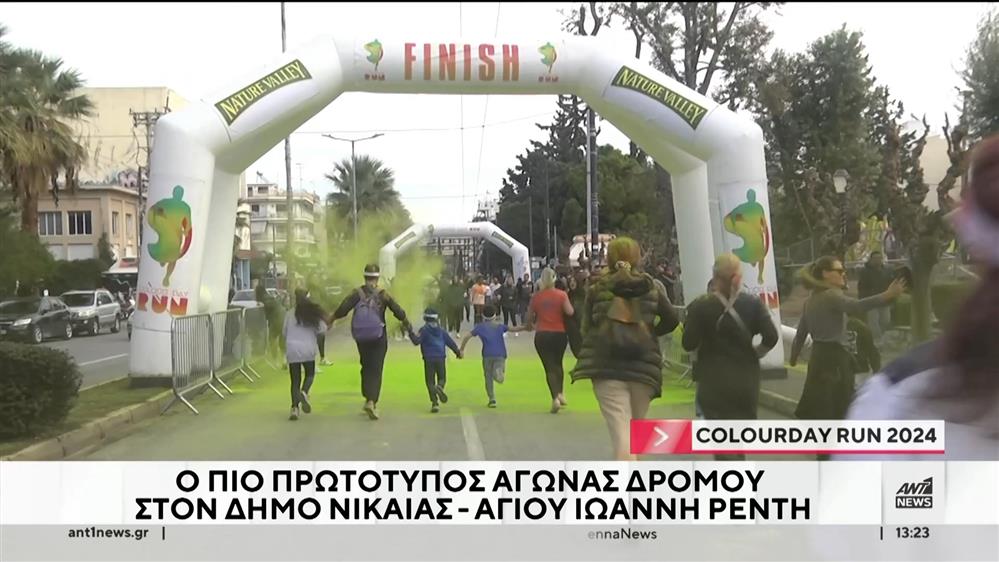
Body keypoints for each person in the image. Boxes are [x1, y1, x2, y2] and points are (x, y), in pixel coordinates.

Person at [840, 134, 999, 461]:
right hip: (867, 322)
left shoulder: (897, 398)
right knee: (876, 329)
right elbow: (855, 303)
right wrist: (884, 295)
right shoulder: (902, 396)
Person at [571, 237, 680, 460]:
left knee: (621, 433)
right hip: (644, 369)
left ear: (609, 258)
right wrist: (649, 334)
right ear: (637, 257)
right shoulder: (651, 287)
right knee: (636, 435)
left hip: (606, 367)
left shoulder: (597, 288)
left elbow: (586, 328)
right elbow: (672, 319)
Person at [790, 255, 906, 454]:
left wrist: (793, 357)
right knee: (839, 410)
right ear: (826, 274)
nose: (844, 274)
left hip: (818, 359)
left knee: (823, 412)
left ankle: (824, 455)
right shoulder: (831, 296)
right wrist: (887, 295)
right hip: (835, 360)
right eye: (839, 271)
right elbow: (856, 306)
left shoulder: (811, 301)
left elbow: (800, 334)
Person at [681, 254, 779, 460]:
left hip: (713, 381)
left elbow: (688, 343)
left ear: (715, 277)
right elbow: (771, 336)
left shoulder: (701, 306)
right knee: (737, 442)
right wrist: (755, 353)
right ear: (738, 277)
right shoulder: (753, 304)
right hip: (745, 380)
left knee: (722, 445)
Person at [330, 264, 412, 420]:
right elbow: (398, 310)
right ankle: (371, 401)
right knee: (376, 368)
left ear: (364, 277)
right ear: (377, 277)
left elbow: (343, 309)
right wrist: (406, 322)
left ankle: (367, 396)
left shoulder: (357, 293)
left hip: (361, 336)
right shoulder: (383, 294)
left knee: (366, 365)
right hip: (378, 336)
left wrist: (331, 319)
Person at [460, 304, 527, 408]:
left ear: (483, 315)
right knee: (499, 370)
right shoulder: (500, 326)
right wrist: (526, 327)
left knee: (488, 377)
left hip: (487, 354)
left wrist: (462, 349)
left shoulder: (480, 327)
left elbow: (467, 337)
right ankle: (498, 372)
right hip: (500, 354)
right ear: (495, 315)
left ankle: (492, 399)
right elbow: (514, 329)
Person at [527, 268, 575, 413]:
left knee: (549, 367)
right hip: (559, 333)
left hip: (542, 334)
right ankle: (560, 393)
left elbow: (529, 317)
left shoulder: (536, 297)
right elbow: (570, 312)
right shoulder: (562, 295)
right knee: (558, 363)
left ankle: (555, 398)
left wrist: (530, 326)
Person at [282, 289, 327, 421]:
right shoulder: (312, 313)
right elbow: (322, 329)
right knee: (310, 374)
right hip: (308, 349)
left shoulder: (290, 314)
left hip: (292, 349)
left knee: (295, 380)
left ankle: (294, 408)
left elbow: (284, 332)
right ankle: (304, 392)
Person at [409, 307, 463, 413]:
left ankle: (435, 403)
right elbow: (450, 342)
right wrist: (458, 352)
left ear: (425, 318)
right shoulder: (441, 330)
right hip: (440, 357)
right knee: (442, 378)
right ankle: (440, 387)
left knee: (430, 381)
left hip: (428, 358)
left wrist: (410, 332)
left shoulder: (424, 330)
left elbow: (416, 341)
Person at [857, 251, 895, 344]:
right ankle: (877, 341)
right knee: (873, 323)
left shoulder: (887, 270)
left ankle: (882, 338)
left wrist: (891, 299)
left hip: (884, 300)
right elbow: (861, 287)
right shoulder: (865, 271)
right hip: (871, 301)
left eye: (879, 258)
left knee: (886, 320)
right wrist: (863, 301)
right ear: (871, 259)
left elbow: (890, 285)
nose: (877, 260)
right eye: (875, 258)